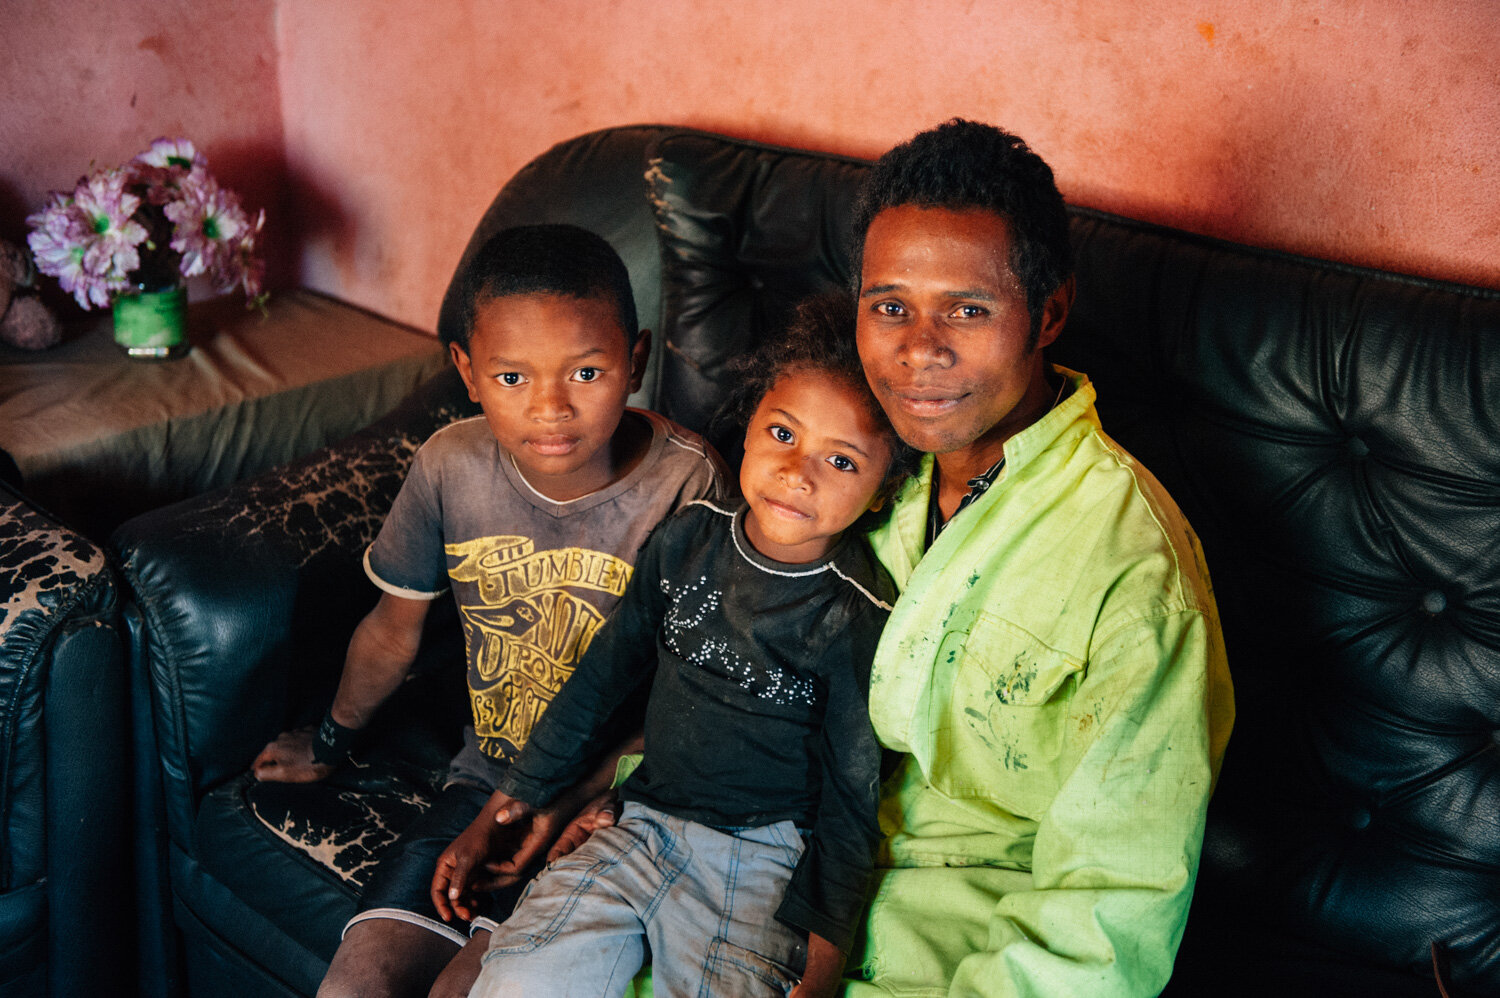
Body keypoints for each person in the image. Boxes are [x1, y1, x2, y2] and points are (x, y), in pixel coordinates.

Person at [251, 223, 728, 998]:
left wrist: (576, 797)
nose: (550, 408)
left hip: (612, 804)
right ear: (468, 373)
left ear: (635, 361)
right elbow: (390, 631)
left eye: (586, 371)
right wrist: (333, 740)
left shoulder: (688, 487)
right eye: (513, 378)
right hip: (483, 781)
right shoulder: (451, 465)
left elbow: (699, 698)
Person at [842, 119, 1236, 997]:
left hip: (962, 943)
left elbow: (1105, 916)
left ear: (1048, 313)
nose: (918, 349)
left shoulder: (1135, 574)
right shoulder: (852, 458)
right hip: (776, 877)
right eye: (890, 305)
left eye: (969, 310)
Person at [450, 293, 921, 998]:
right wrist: (503, 806)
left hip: (758, 861)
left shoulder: (855, 615)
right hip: (638, 823)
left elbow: (852, 803)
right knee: (516, 977)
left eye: (843, 461)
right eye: (784, 435)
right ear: (750, 425)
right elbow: (598, 680)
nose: (799, 472)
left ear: (883, 491)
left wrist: (823, 967)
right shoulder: (685, 542)